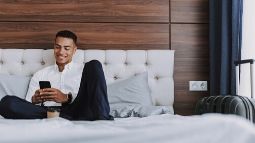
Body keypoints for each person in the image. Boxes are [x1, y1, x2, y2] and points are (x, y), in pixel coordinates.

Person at [0, 30, 113, 121]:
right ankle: (59, 117)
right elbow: (28, 105)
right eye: (57, 47)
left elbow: (95, 95)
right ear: (54, 47)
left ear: (74, 50)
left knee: (94, 64)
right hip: (47, 112)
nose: (61, 52)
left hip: (79, 109)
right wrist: (34, 100)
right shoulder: (40, 74)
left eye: (66, 48)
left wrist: (66, 98)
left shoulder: (84, 71)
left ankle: (102, 118)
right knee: (7, 103)